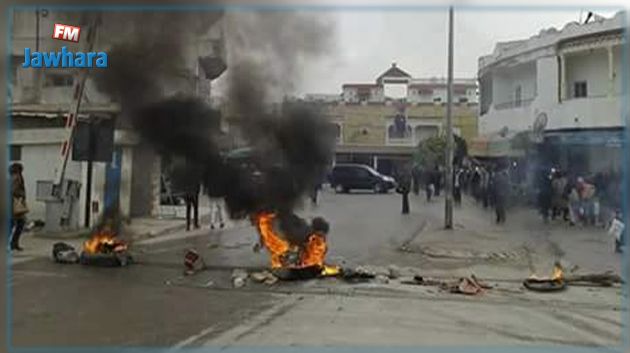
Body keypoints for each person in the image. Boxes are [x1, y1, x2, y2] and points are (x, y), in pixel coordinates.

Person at [10, 163, 28, 251]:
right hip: (14, 204)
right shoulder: (16, 178)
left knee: (17, 223)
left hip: (13, 203)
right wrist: (22, 195)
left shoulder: (13, 177)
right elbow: (13, 190)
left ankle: (14, 243)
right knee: (16, 224)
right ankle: (13, 243)